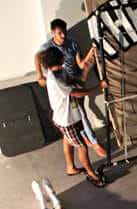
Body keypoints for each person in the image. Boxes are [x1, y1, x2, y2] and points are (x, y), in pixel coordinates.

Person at [35, 18, 106, 160]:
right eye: (59, 33)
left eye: (64, 32)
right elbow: (37, 56)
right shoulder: (47, 48)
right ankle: (93, 142)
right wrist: (39, 75)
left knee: (79, 115)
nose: (63, 35)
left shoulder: (72, 44)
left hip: (75, 82)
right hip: (64, 88)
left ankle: (84, 141)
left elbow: (81, 65)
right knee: (80, 115)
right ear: (53, 33)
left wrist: (90, 54)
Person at [40, 47, 107, 187]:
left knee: (68, 140)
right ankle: (91, 174)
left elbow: (72, 81)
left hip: (68, 116)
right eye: (62, 57)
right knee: (82, 147)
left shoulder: (59, 71)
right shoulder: (55, 80)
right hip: (67, 121)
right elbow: (76, 93)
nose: (64, 59)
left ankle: (70, 168)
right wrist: (98, 87)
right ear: (59, 60)